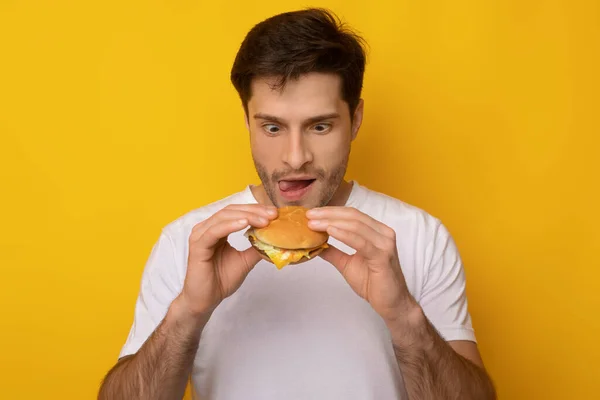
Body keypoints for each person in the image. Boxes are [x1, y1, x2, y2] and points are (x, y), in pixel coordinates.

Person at [98, 7, 496, 400]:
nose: (294, 157)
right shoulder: (187, 241)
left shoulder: (419, 236)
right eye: (272, 127)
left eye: (319, 126)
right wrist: (188, 313)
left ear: (355, 119)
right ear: (247, 121)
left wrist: (404, 317)